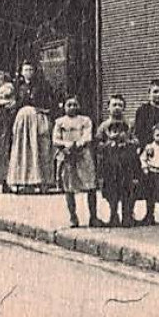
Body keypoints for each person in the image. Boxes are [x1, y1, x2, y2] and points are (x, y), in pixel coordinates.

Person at [7, 60, 56, 192]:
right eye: (26, 70)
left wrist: (43, 110)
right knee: (23, 149)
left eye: (30, 70)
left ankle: (42, 181)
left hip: (38, 118)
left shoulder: (42, 86)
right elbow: (15, 104)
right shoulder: (18, 87)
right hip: (23, 121)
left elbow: (50, 102)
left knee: (40, 147)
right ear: (22, 72)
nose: (28, 72)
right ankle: (24, 181)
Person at [52, 95, 99, 227]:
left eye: (75, 105)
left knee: (90, 186)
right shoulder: (60, 122)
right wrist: (66, 145)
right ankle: (73, 217)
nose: (72, 107)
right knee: (69, 187)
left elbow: (87, 136)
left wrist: (78, 144)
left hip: (83, 155)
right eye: (69, 105)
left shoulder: (85, 120)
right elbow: (55, 139)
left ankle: (93, 217)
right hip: (67, 156)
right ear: (64, 107)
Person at [96, 94, 141, 227]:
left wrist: (127, 141)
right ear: (108, 107)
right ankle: (113, 215)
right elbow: (98, 144)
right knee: (111, 191)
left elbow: (137, 141)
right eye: (114, 105)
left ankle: (127, 215)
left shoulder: (129, 124)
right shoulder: (104, 126)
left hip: (126, 162)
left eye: (120, 105)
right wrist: (110, 142)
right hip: (110, 163)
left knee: (128, 189)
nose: (117, 108)